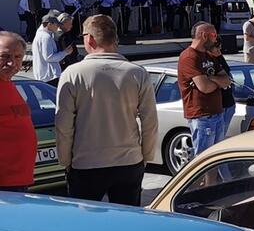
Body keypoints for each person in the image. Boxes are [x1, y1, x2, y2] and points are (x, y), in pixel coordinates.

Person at [54, 15, 158, 206]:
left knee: (86, 227)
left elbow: (64, 124)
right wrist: (146, 156)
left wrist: (65, 160)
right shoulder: (137, 72)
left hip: (86, 163)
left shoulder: (73, 73)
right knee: (127, 223)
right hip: (129, 161)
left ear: (90, 39)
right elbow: (150, 120)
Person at [178, 22, 232, 158]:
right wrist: (215, 81)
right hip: (202, 116)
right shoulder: (189, 56)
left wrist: (210, 78)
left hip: (217, 112)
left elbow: (227, 79)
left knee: (216, 158)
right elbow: (205, 87)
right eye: (214, 35)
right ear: (204, 35)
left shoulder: (209, 56)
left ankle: (211, 181)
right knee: (203, 158)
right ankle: (202, 181)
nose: (216, 39)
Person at [0, 31, 36, 192]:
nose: (12, 63)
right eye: (5, 56)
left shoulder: (8, 83)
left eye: (18, 57)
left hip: (17, 181)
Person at [32, 14, 72, 85]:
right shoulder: (45, 37)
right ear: (49, 24)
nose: (58, 27)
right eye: (56, 25)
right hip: (49, 76)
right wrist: (65, 52)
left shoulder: (39, 35)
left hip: (43, 75)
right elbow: (49, 57)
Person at [208, 42, 236, 136]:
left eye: (220, 49)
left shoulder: (219, 59)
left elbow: (227, 74)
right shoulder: (207, 62)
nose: (219, 52)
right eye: (217, 50)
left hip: (228, 103)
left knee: (222, 135)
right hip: (218, 105)